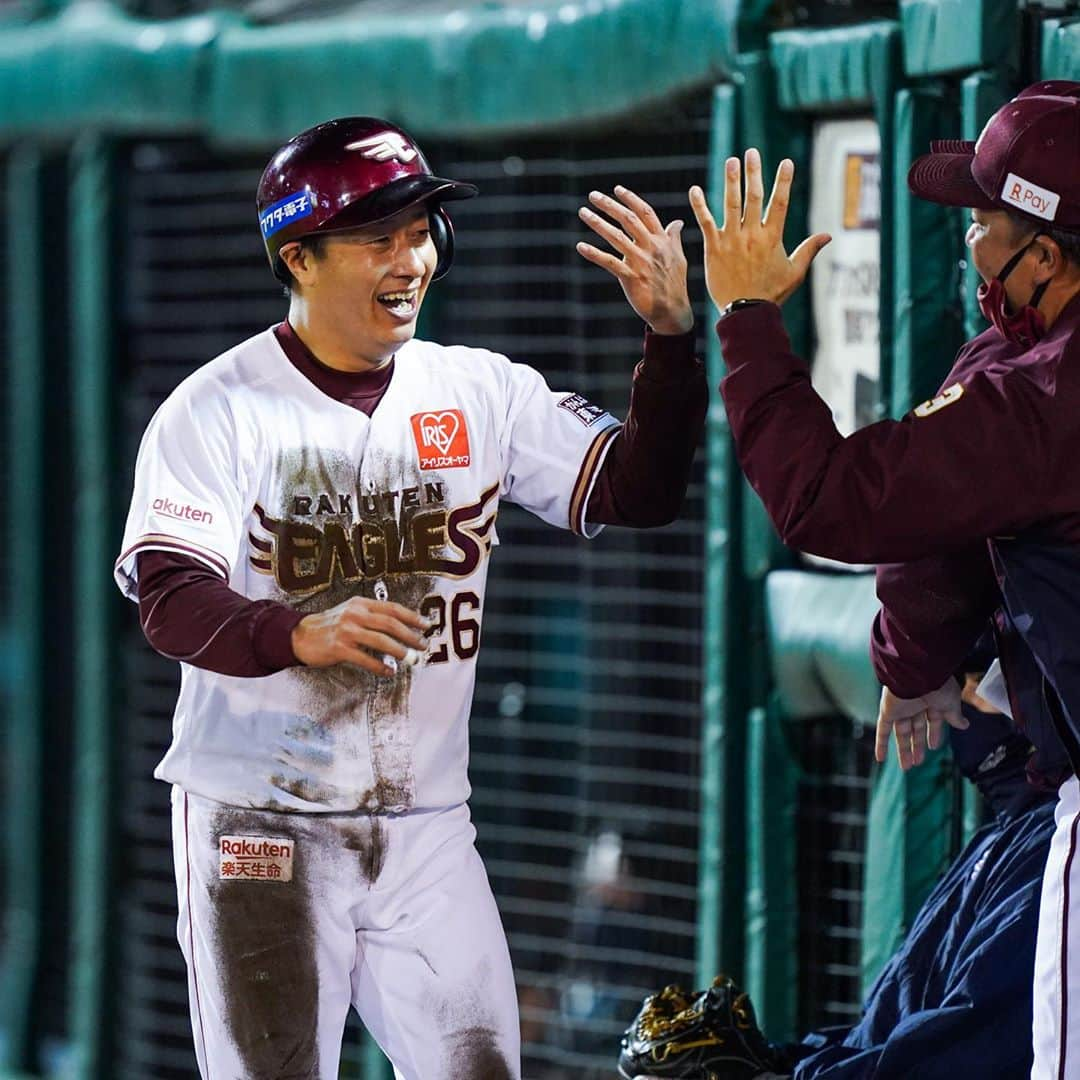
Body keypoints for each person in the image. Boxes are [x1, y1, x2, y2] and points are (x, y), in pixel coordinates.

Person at [113, 116, 707, 1080]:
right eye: (377, 237)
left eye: (422, 230)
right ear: (297, 257)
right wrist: (299, 631)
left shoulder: (478, 391)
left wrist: (671, 341)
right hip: (258, 825)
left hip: (427, 823)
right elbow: (171, 600)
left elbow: (637, 491)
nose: (413, 258)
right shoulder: (214, 409)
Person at [687, 81, 1080, 1077]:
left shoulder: (1045, 396)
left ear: (1047, 252)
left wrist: (746, 318)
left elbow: (834, 500)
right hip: (1041, 810)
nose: (970, 242)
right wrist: (911, 658)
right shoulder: (1030, 368)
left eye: (986, 220)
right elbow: (950, 513)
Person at [625, 704, 1058, 1080]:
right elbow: (881, 1031)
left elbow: (968, 1049)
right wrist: (776, 1062)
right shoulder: (1005, 836)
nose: (953, 702)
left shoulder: (1054, 847)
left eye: (976, 683)